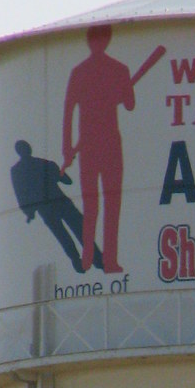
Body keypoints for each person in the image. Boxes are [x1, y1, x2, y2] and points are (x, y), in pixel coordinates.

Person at [61, 24, 134, 273]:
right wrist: (67, 148)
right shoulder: (118, 70)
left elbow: (69, 111)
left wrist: (67, 148)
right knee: (104, 204)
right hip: (102, 144)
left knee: (97, 204)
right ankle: (104, 260)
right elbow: (130, 103)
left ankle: (93, 258)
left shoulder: (82, 72)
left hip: (97, 144)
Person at [10, 139, 102, 273]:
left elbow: (21, 193)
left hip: (48, 207)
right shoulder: (43, 163)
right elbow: (66, 180)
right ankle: (94, 259)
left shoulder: (19, 170)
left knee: (64, 234)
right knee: (77, 230)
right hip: (60, 202)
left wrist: (29, 212)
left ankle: (80, 260)